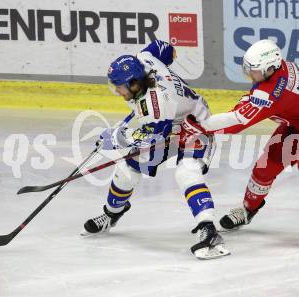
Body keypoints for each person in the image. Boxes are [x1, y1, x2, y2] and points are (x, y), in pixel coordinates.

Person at [181, 39, 299, 252]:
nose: (251, 76)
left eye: (254, 72)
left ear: (269, 69)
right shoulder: (277, 72)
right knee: (266, 165)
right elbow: (249, 106)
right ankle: (248, 210)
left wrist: (199, 127)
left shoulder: (273, 91)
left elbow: (236, 122)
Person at [81, 40, 230, 259]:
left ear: (134, 83)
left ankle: (208, 230)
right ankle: (112, 214)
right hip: (169, 123)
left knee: (186, 171)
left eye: (120, 86)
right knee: (127, 170)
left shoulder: (156, 105)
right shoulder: (144, 58)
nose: (117, 91)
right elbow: (164, 48)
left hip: (196, 125)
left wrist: (116, 138)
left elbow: (152, 137)